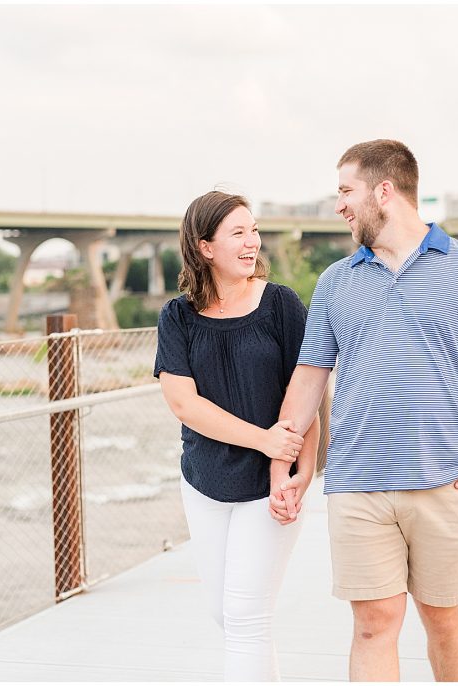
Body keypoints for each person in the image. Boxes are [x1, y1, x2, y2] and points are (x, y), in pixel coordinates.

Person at [272, 139, 458, 681]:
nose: (338, 205)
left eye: (346, 190)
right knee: (372, 623)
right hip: (358, 483)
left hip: (449, 480)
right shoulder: (336, 281)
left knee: (442, 616)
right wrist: (287, 467)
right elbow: (310, 377)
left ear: (384, 190)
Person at [154, 190, 318, 681]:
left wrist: (300, 473)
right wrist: (262, 438)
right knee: (225, 614)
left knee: (247, 618)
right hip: (204, 481)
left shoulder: (281, 304)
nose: (253, 243)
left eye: (254, 231)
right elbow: (184, 404)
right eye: (238, 233)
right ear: (205, 247)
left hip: (269, 484)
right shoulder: (177, 317)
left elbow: (309, 392)